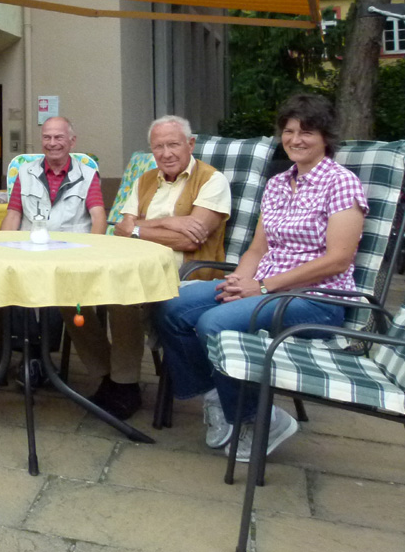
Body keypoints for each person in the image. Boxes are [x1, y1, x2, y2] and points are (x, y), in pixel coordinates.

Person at [154, 94, 366, 462]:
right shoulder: (279, 184)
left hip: (318, 300)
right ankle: (219, 398)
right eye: (289, 131)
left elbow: (338, 259)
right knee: (171, 306)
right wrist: (238, 282)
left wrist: (262, 287)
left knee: (214, 322)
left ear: (325, 137)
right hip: (265, 290)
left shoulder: (341, 183)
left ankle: (259, 419)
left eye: (307, 132)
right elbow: (256, 249)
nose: (296, 140)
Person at [108, 114, 231, 418]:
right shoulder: (145, 180)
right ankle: (111, 379)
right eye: (158, 147)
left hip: (189, 276)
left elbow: (192, 240)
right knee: (86, 299)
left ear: (190, 144)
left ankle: (123, 386)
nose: (165, 153)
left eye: (173, 144)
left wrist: (140, 227)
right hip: (138, 268)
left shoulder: (212, 181)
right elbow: (123, 229)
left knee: (123, 299)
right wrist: (170, 223)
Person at [0, 117, 110, 402]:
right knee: (10, 289)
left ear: (72, 141)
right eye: (47, 138)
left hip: (69, 255)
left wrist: (92, 253)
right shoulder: (25, 172)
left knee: (61, 296)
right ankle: (30, 357)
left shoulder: (87, 175)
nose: (52, 143)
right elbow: (13, 214)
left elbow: (99, 216)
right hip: (30, 252)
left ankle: (42, 360)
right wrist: (0, 250)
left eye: (58, 137)